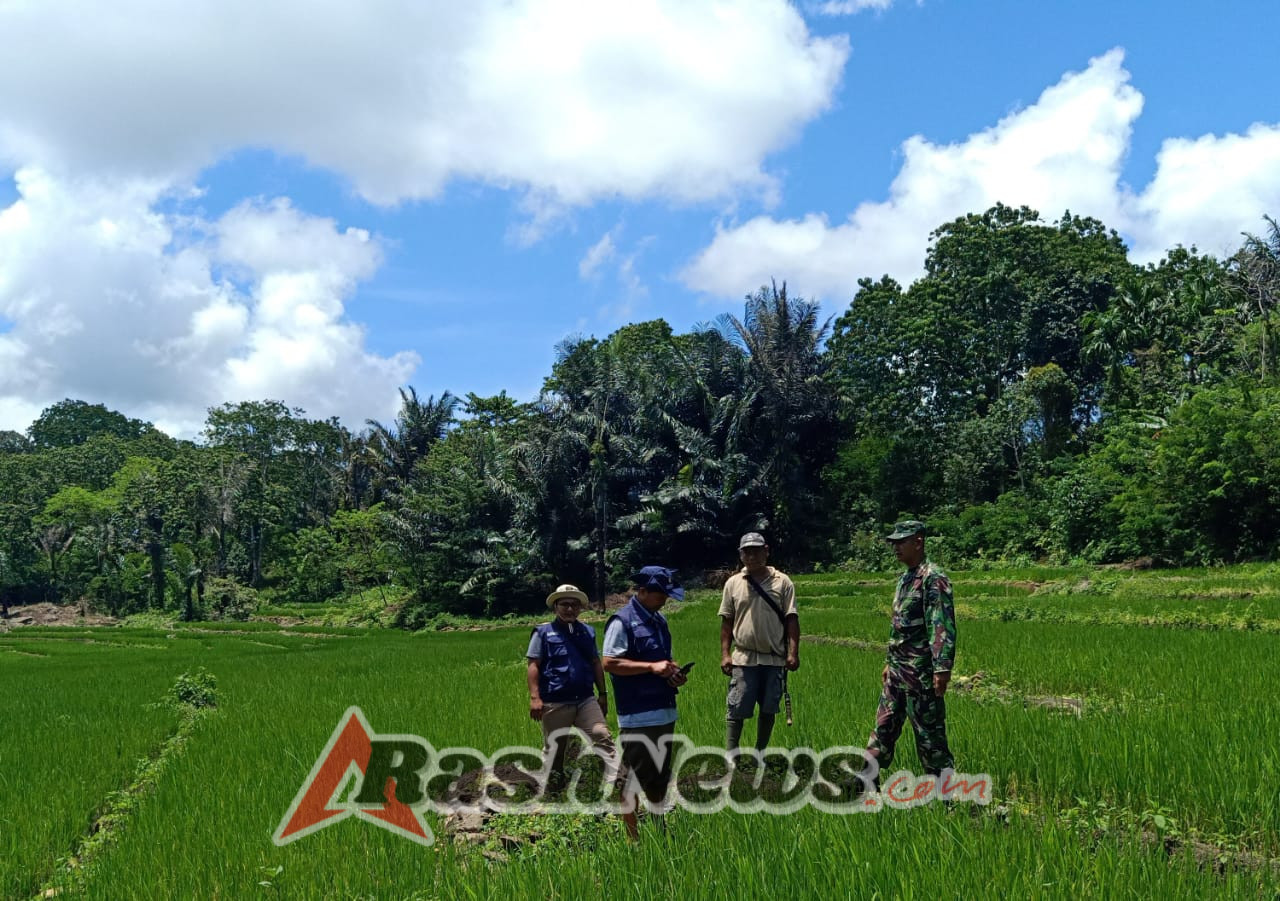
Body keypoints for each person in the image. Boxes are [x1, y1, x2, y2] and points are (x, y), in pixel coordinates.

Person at [863, 520, 956, 784]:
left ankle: (946, 796)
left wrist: (942, 668)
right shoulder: (905, 579)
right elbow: (899, 627)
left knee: (930, 739)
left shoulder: (933, 578)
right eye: (894, 542)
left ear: (918, 542)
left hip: (921, 675)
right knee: (883, 728)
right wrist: (888, 662)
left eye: (901, 542)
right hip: (897, 672)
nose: (896, 548)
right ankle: (865, 783)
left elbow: (940, 625)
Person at [601, 566, 688, 838]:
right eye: (661, 594)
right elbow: (610, 662)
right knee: (631, 779)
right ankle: (633, 839)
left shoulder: (659, 621)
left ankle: (659, 829)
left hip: (664, 710)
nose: (665, 600)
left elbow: (664, 661)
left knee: (660, 776)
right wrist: (651, 668)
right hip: (638, 713)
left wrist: (673, 674)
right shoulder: (622, 621)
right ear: (642, 592)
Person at [527, 584, 619, 793]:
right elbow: (533, 665)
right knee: (556, 749)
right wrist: (535, 697)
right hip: (556, 701)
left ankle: (617, 785)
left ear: (580, 608)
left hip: (586, 699)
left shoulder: (587, 632)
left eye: (574, 605)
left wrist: (603, 694)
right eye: (565, 605)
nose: (569, 609)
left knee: (602, 736)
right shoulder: (543, 633)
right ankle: (553, 790)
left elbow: (596, 662)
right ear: (555, 607)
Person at [719, 532, 799, 755]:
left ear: (766, 551)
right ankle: (731, 754)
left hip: (774, 657)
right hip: (743, 658)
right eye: (747, 552)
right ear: (741, 555)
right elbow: (726, 621)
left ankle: (759, 753)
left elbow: (791, 618)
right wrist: (725, 654)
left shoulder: (782, 582)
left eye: (756, 551)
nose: (751, 556)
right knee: (737, 706)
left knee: (769, 707)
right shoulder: (733, 583)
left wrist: (793, 652)